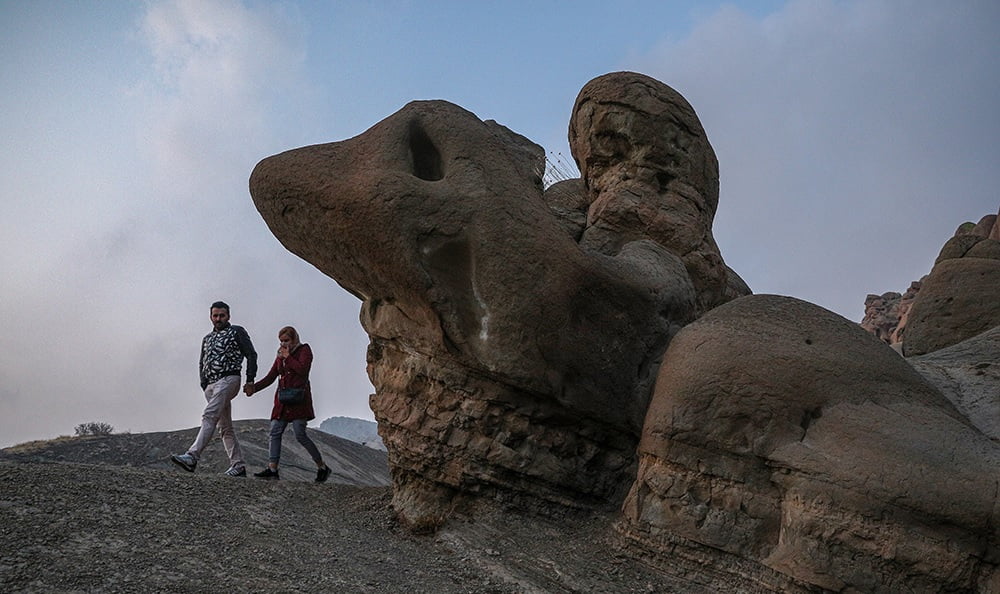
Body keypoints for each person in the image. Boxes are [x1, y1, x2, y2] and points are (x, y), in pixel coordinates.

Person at [170, 301, 257, 477]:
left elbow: (251, 354)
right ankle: (238, 465)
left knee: (209, 415)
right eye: (215, 315)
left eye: (222, 315)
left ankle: (192, 456)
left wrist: (250, 380)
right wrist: (204, 383)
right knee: (225, 428)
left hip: (228, 379)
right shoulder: (207, 339)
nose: (218, 319)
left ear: (228, 316)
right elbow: (202, 361)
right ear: (210, 316)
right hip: (210, 384)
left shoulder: (237, 331)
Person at [244, 326, 331, 483]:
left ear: (294, 339)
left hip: (299, 400)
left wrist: (288, 357)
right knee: (275, 431)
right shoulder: (280, 357)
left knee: (300, 434)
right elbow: (271, 376)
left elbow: (303, 370)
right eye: (282, 341)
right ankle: (272, 469)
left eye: (287, 340)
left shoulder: (304, 350)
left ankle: (322, 466)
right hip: (283, 401)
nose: (284, 344)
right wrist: (254, 388)